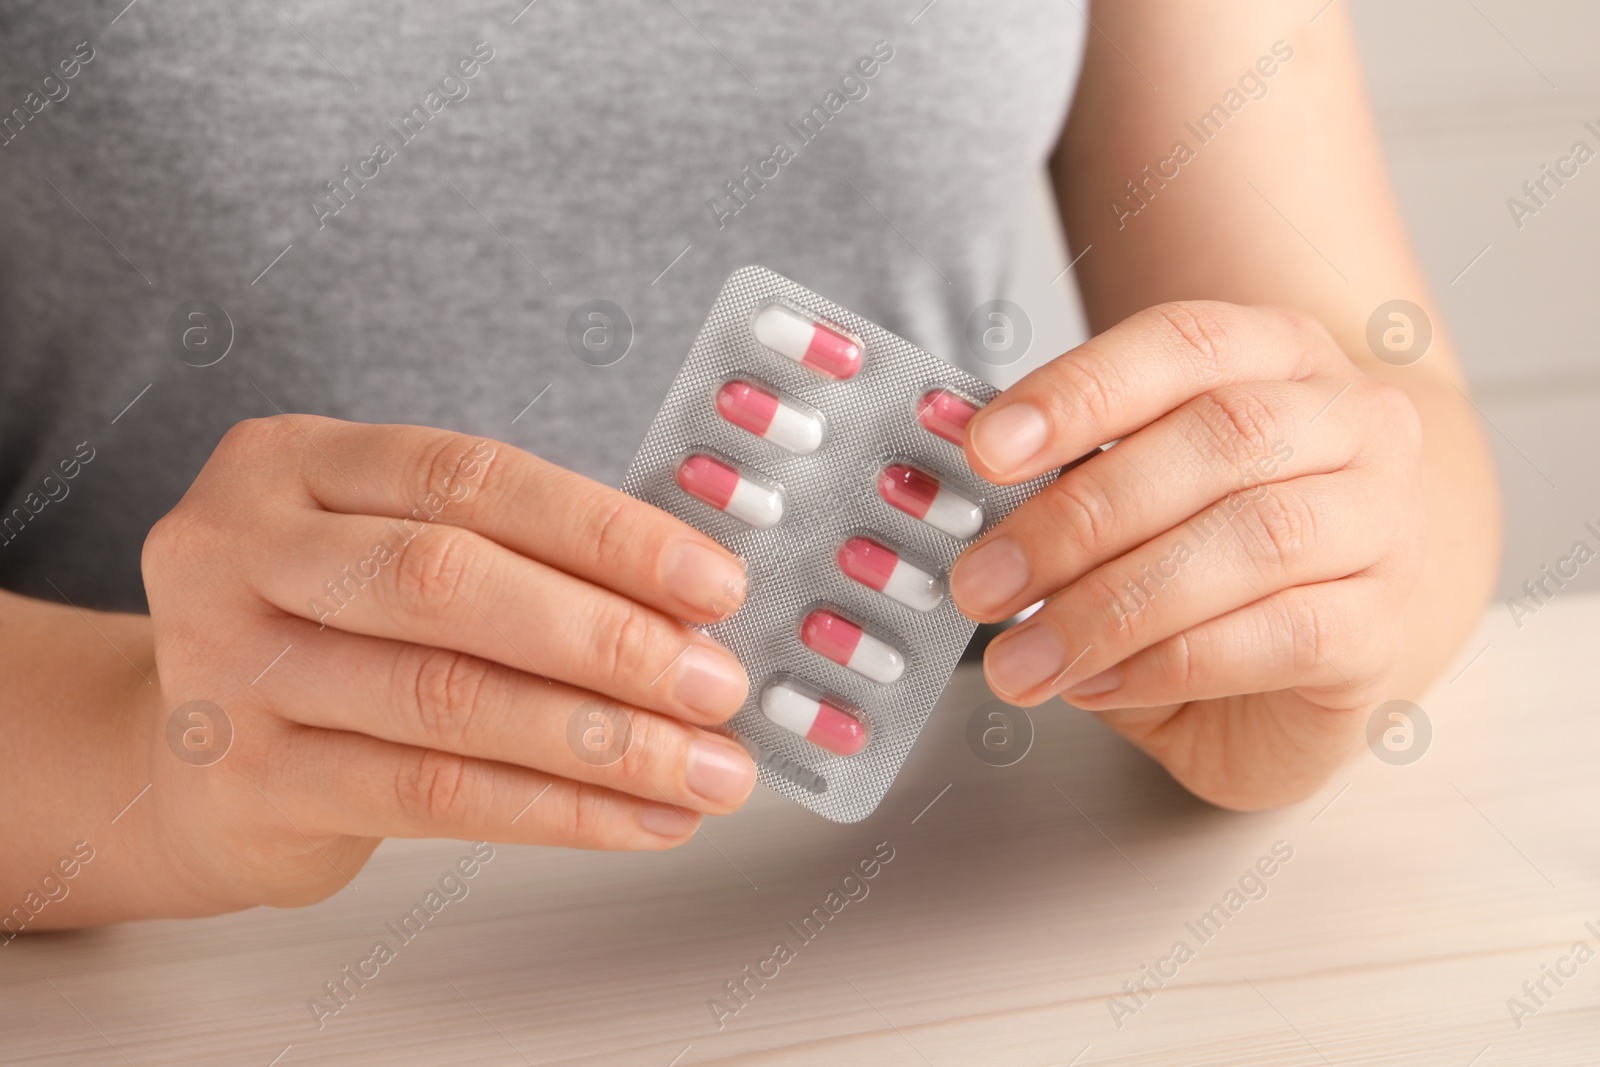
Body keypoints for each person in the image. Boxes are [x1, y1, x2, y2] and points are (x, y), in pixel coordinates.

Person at [0, 1, 1497, 929]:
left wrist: (1327, 592)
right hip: (183, 983)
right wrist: (145, 758)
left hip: (939, 926)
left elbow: (1378, 382)